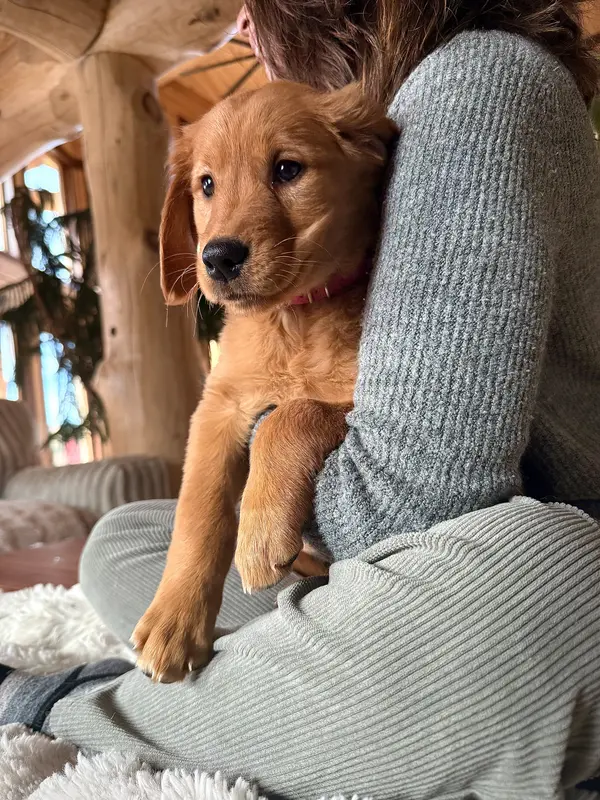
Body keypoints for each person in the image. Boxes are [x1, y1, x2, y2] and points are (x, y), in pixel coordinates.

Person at [2, 2, 600, 797]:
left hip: (520, 534)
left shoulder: (467, 92)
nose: (241, 24)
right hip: (374, 553)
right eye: (211, 187)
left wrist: (289, 438)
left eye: (285, 171)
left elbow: (414, 508)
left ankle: (82, 705)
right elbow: (227, 417)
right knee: (122, 542)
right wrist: (222, 537)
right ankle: (320, 680)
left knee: (550, 602)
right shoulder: (394, 127)